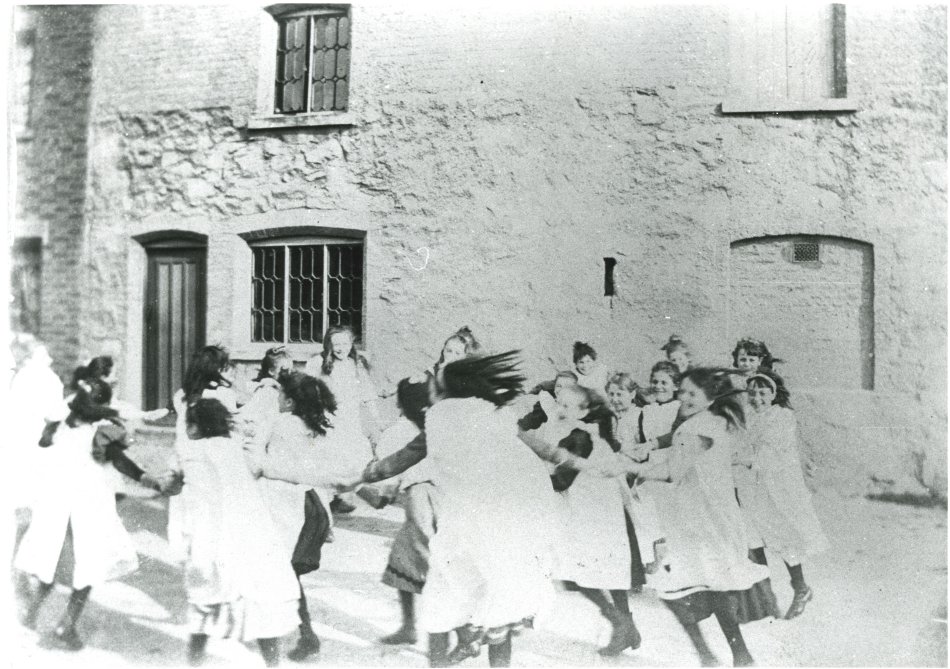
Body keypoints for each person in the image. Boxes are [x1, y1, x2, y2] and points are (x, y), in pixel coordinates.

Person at [608, 368, 770, 667]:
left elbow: (671, 471)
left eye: (692, 393)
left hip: (706, 521)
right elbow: (672, 464)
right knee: (708, 586)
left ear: (710, 398)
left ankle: (718, 655)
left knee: (681, 589)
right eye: (682, 391)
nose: (684, 397)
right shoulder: (705, 421)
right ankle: (733, 656)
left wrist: (624, 466)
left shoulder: (703, 426)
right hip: (698, 517)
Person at [415, 352, 556, 667]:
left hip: (465, 525)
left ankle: (446, 657)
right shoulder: (495, 415)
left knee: (441, 602)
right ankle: (481, 646)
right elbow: (533, 449)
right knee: (497, 605)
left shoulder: (440, 416)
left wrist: (368, 476)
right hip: (497, 526)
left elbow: (409, 457)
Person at [14, 378, 164, 650]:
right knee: (88, 566)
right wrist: (145, 478)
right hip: (86, 505)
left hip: (57, 504)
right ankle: (65, 625)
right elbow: (120, 460)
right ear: (102, 405)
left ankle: (31, 613)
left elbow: (45, 447)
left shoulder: (60, 426)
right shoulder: (100, 431)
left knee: (54, 560)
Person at [171, 398, 300, 667]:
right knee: (261, 608)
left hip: (212, 541)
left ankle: (193, 664)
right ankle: (273, 664)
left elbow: (179, 490)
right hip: (248, 538)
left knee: (204, 607)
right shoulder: (237, 450)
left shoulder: (189, 454)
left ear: (196, 426)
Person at [376, 327, 481, 646]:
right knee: (405, 555)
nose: (449, 355)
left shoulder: (468, 389)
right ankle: (410, 626)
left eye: (457, 352)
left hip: (450, 477)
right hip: (424, 467)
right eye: (447, 350)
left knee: (441, 558)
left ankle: (463, 631)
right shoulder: (434, 379)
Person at [244, 370, 352, 661]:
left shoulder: (278, 422)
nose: (276, 399)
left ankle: (289, 637)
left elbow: (255, 464)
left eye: (280, 394)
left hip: (284, 504)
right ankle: (306, 635)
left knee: (278, 573)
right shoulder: (314, 427)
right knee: (289, 575)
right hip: (311, 504)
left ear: (289, 401)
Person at [536, 384, 640, 656]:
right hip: (603, 514)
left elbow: (560, 480)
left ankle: (619, 622)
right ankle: (626, 625)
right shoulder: (590, 435)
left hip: (591, 516)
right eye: (559, 403)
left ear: (584, 411)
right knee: (608, 572)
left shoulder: (581, 437)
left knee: (577, 572)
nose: (560, 409)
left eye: (568, 406)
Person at [735, 370, 829, 620]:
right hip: (750, 487)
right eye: (752, 393)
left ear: (774, 394)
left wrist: (736, 459)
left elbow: (766, 455)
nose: (756, 398)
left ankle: (801, 588)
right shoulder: (745, 417)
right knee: (752, 540)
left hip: (776, 490)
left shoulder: (783, 417)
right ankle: (765, 599)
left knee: (784, 538)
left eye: (763, 393)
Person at [306, 326, 379, 513]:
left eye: (345, 343)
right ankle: (323, 507)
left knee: (351, 459)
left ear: (351, 344)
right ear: (328, 344)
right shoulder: (318, 362)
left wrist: (376, 420)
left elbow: (368, 394)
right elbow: (306, 390)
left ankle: (342, 496)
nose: (341, 348)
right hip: (327, 418)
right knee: (325, 459)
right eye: (336, 344)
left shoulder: (356, 364)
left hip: (349, 420)